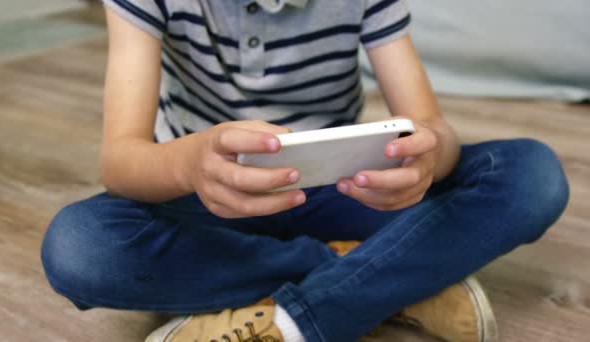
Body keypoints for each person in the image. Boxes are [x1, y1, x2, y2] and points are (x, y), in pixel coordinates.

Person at [40, 0, 570, 341]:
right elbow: (121, 160)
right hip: (207, 200)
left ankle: (298, 318)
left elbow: (429, 124)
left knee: (532, 174)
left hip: (343, 190)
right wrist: (187, 161)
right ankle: (390, 276)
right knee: (79, 246)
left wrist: (427, 156)